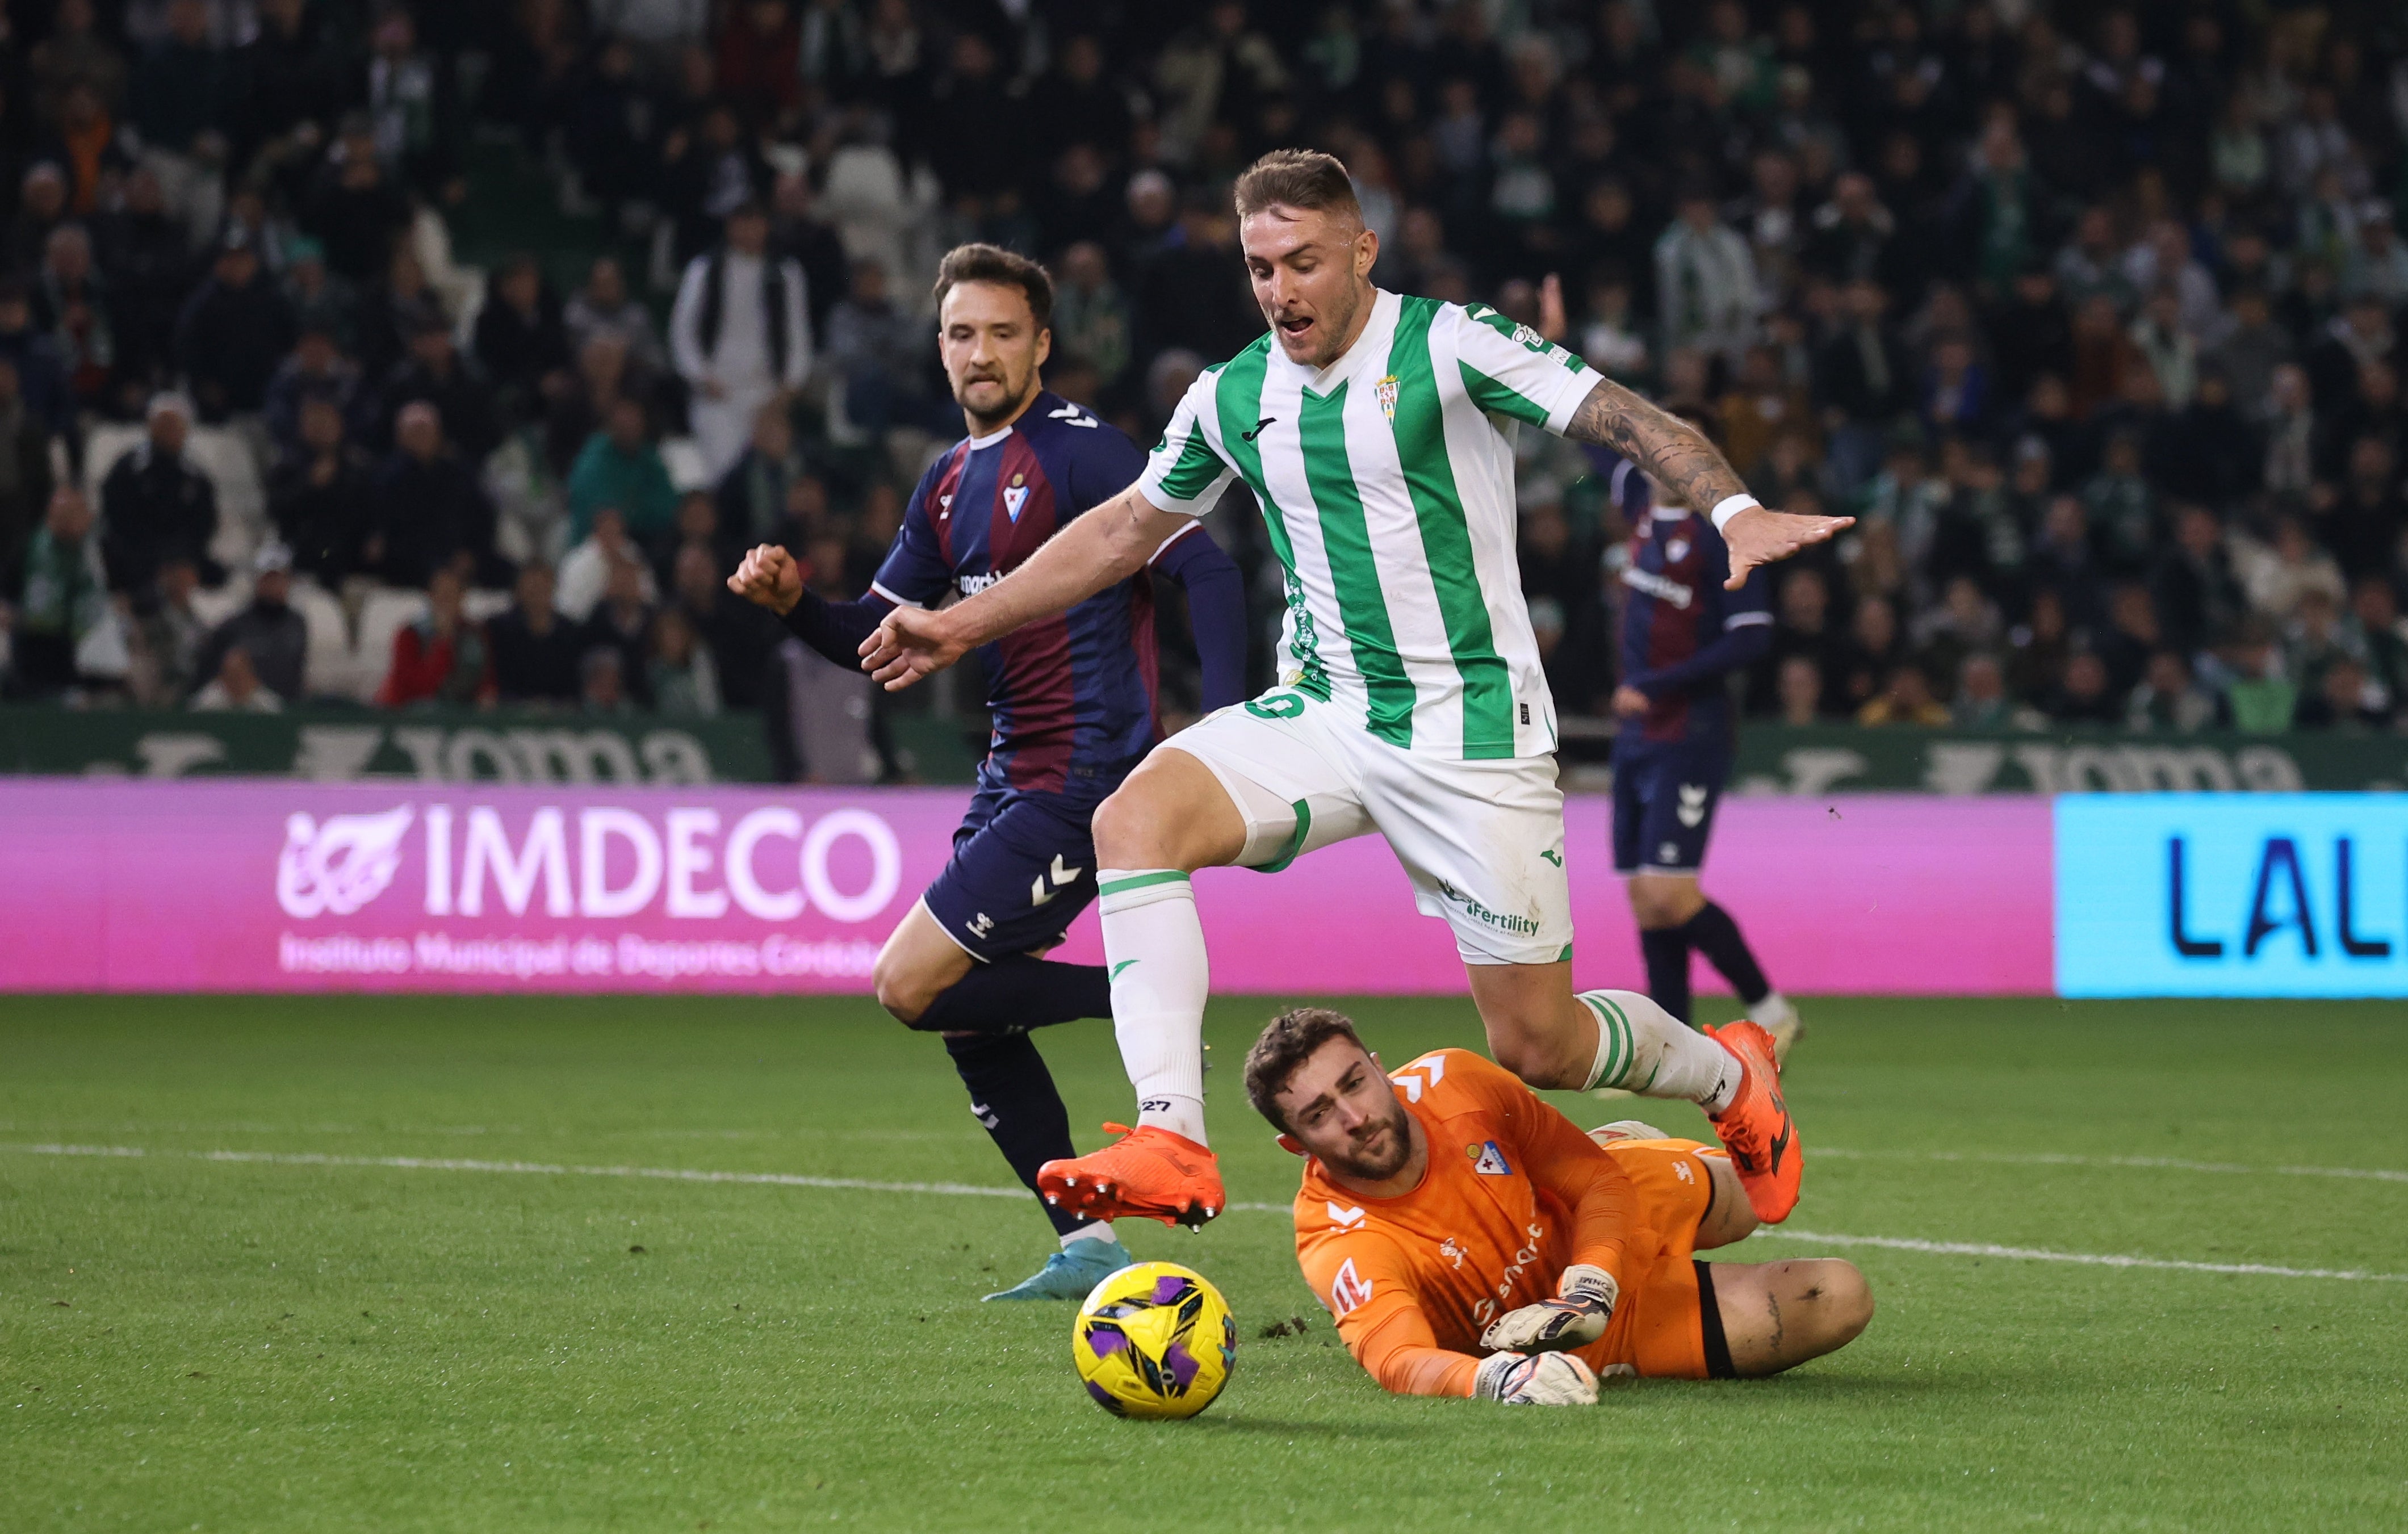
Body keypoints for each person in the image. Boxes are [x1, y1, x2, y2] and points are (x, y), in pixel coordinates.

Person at [860, 150, 1846, 1230]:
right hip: (1328, 712)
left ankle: (1727, 1078)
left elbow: (1627, 419)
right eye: (1259, 266)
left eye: (1304, 262)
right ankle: (1172, 1136)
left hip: (1472, 735)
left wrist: (1733, 510)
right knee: (1132, 820)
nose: (1281, 291)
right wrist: (955, 623)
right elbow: (1125, 529)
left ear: (1362, 250)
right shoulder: (1235, 392)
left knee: (1541, 1045)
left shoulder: (1450, 343)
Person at [728, 244, 1247, 1301]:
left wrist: (1228, 727)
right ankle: (1087, 1245)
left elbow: (1206, 564)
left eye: (1004, 332)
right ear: (940, 346)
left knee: (909, 983)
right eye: (963, 333)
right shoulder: (947, 480)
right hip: (1011, 773)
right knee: (967, 1011)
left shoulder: (1084, 453)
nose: (981, 352)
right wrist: (793, 603)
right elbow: (884, 639)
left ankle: (1144, 1000)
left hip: (1087, 777)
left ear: (1042, 345)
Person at [1246, 1005, 1870, 1403]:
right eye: (1320, 1114)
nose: (1354, 1116)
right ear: (1294, 1143)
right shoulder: (1338, 1238)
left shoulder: (1456, 1082)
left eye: (1354, 1082)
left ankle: (1629, 1141)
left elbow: (1594, 1183)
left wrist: (1592, 1279)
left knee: (1750, 1197)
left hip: (1602, 1216)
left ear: (1380, 1070)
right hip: (1570, 1340)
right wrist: (1497, 1377)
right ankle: (1612, 1155)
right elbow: (1398, 1359)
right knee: (1840, 1296)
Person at [1603, 456, 1802, 1057]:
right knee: (1644, 895)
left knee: (1668, 893)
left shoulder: (1721, 537)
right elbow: (1589, 436)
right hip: (1637, 731)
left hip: (1689, 731)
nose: (1669, 457)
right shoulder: (1641, 508)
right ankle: (1671, 1050)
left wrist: (1660, 683)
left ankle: (1770, 1009)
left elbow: (1751, 637)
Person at [671, 201, 810, 480]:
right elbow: (683, 332)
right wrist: (700, 376)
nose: (749, 231)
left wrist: (791, 384)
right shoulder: (705, 269)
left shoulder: (785, 273)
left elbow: (797, 332)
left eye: (755, 222)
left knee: (771, 475)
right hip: (719, 394)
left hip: (767, 394)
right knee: (725, 474)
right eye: (742, 223)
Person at [193, 541, 308, 704]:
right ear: (258, 581)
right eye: (269, 579)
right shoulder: (233, 627)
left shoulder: (298, 625)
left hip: (286, 710)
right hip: (246, 708)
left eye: (279, 579)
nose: (274, 585)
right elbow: (208, 674)